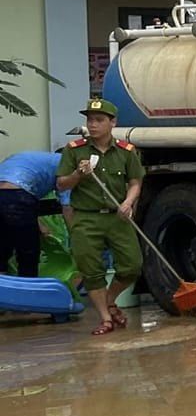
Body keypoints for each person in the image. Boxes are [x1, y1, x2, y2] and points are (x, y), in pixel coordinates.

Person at [55, 98, 145, 337]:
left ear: (112, 122)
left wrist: (128, 202)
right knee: (91, 270)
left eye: (99, 120)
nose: (93, 125)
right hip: (86, 218)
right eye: (89, 120)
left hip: (118, 217)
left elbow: (135, 182)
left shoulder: (126, 151)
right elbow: (62, 184)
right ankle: (105, 319)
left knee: (132, 266)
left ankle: (110, 298)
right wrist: (78, 174)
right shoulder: (74, 150)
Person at [0, 149, 66, 279]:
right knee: (28, 253)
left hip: (11, 192)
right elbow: (67, 207)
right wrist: (77, 236)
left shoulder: (40, 158)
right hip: (17, 193)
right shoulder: (66, 165)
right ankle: (28, 293)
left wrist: (39, 225)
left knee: (2, 249)